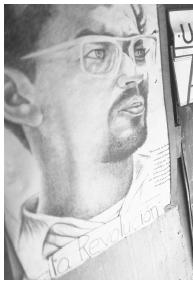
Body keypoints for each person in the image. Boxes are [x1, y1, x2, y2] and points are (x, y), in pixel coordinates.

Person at [4, 4, 167, 279]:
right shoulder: (24, 257)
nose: (135, 72)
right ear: (17, 98)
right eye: (97, 52)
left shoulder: (162, 188)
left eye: (137, 49)